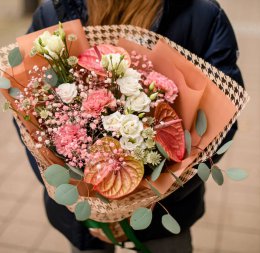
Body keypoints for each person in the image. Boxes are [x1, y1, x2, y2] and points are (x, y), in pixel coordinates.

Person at [15, 0, 244, 252]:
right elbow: (28, 117)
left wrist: (153, 198)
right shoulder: (55, 10)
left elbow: (221, 125)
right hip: (83, 219)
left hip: (162, 216)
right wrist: (76, 201)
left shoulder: (202, 15)